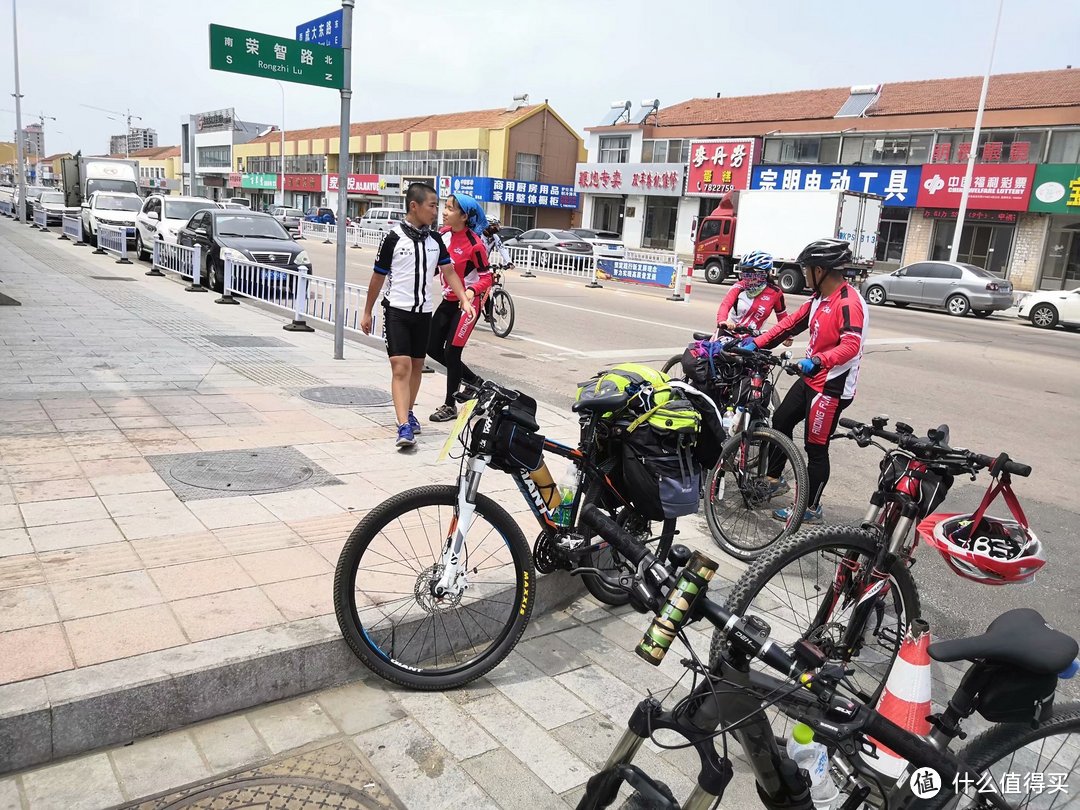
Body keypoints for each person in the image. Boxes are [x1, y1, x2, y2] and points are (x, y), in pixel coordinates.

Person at [742, 238, 868, 523]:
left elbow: (851, 346)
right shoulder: (819, 299)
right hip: (811, 378)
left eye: (807, 268)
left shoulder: (849, 303)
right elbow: (791, 323)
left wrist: (819, 361)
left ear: (821, 270)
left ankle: (811, 507)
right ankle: (775, 479)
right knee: (783, 420)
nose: (804, 273)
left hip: (831, 385)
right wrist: (756, 343)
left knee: (815, 447)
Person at [361, 183, 474, 449]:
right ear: (414, 206)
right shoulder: (392, 238)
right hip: (397, 312)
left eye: (438, 206)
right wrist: (367, 311)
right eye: (432, 205)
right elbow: (378, 277)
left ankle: (409, 411)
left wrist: (464, 298)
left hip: (423, 313)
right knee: (400, 366)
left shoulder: (436, 240)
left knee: (415, 366)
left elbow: (449, 273)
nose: (436, 211)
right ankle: (403, 426)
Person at [427, 193, 493, 422]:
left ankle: (449, 405)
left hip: (468, 304)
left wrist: (472, 291)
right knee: (432, 347)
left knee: (451, 352)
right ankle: (474, 382)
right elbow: (439, 267)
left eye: (450, 209)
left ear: (464, 216)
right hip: (448, 300)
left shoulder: (475, 244)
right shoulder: (442, 236)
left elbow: (487, 277)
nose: (444, 212)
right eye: (444, 207)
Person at [716, 251, 791, 340]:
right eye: (744, 271)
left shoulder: (775, 292)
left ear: (763, 273)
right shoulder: (738, 286)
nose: (746, 277)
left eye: (750, 272)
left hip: (753, 340)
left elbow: (782, 316)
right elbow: (725, 305)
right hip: (728, 335)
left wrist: (787, 335)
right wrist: (722, 321)